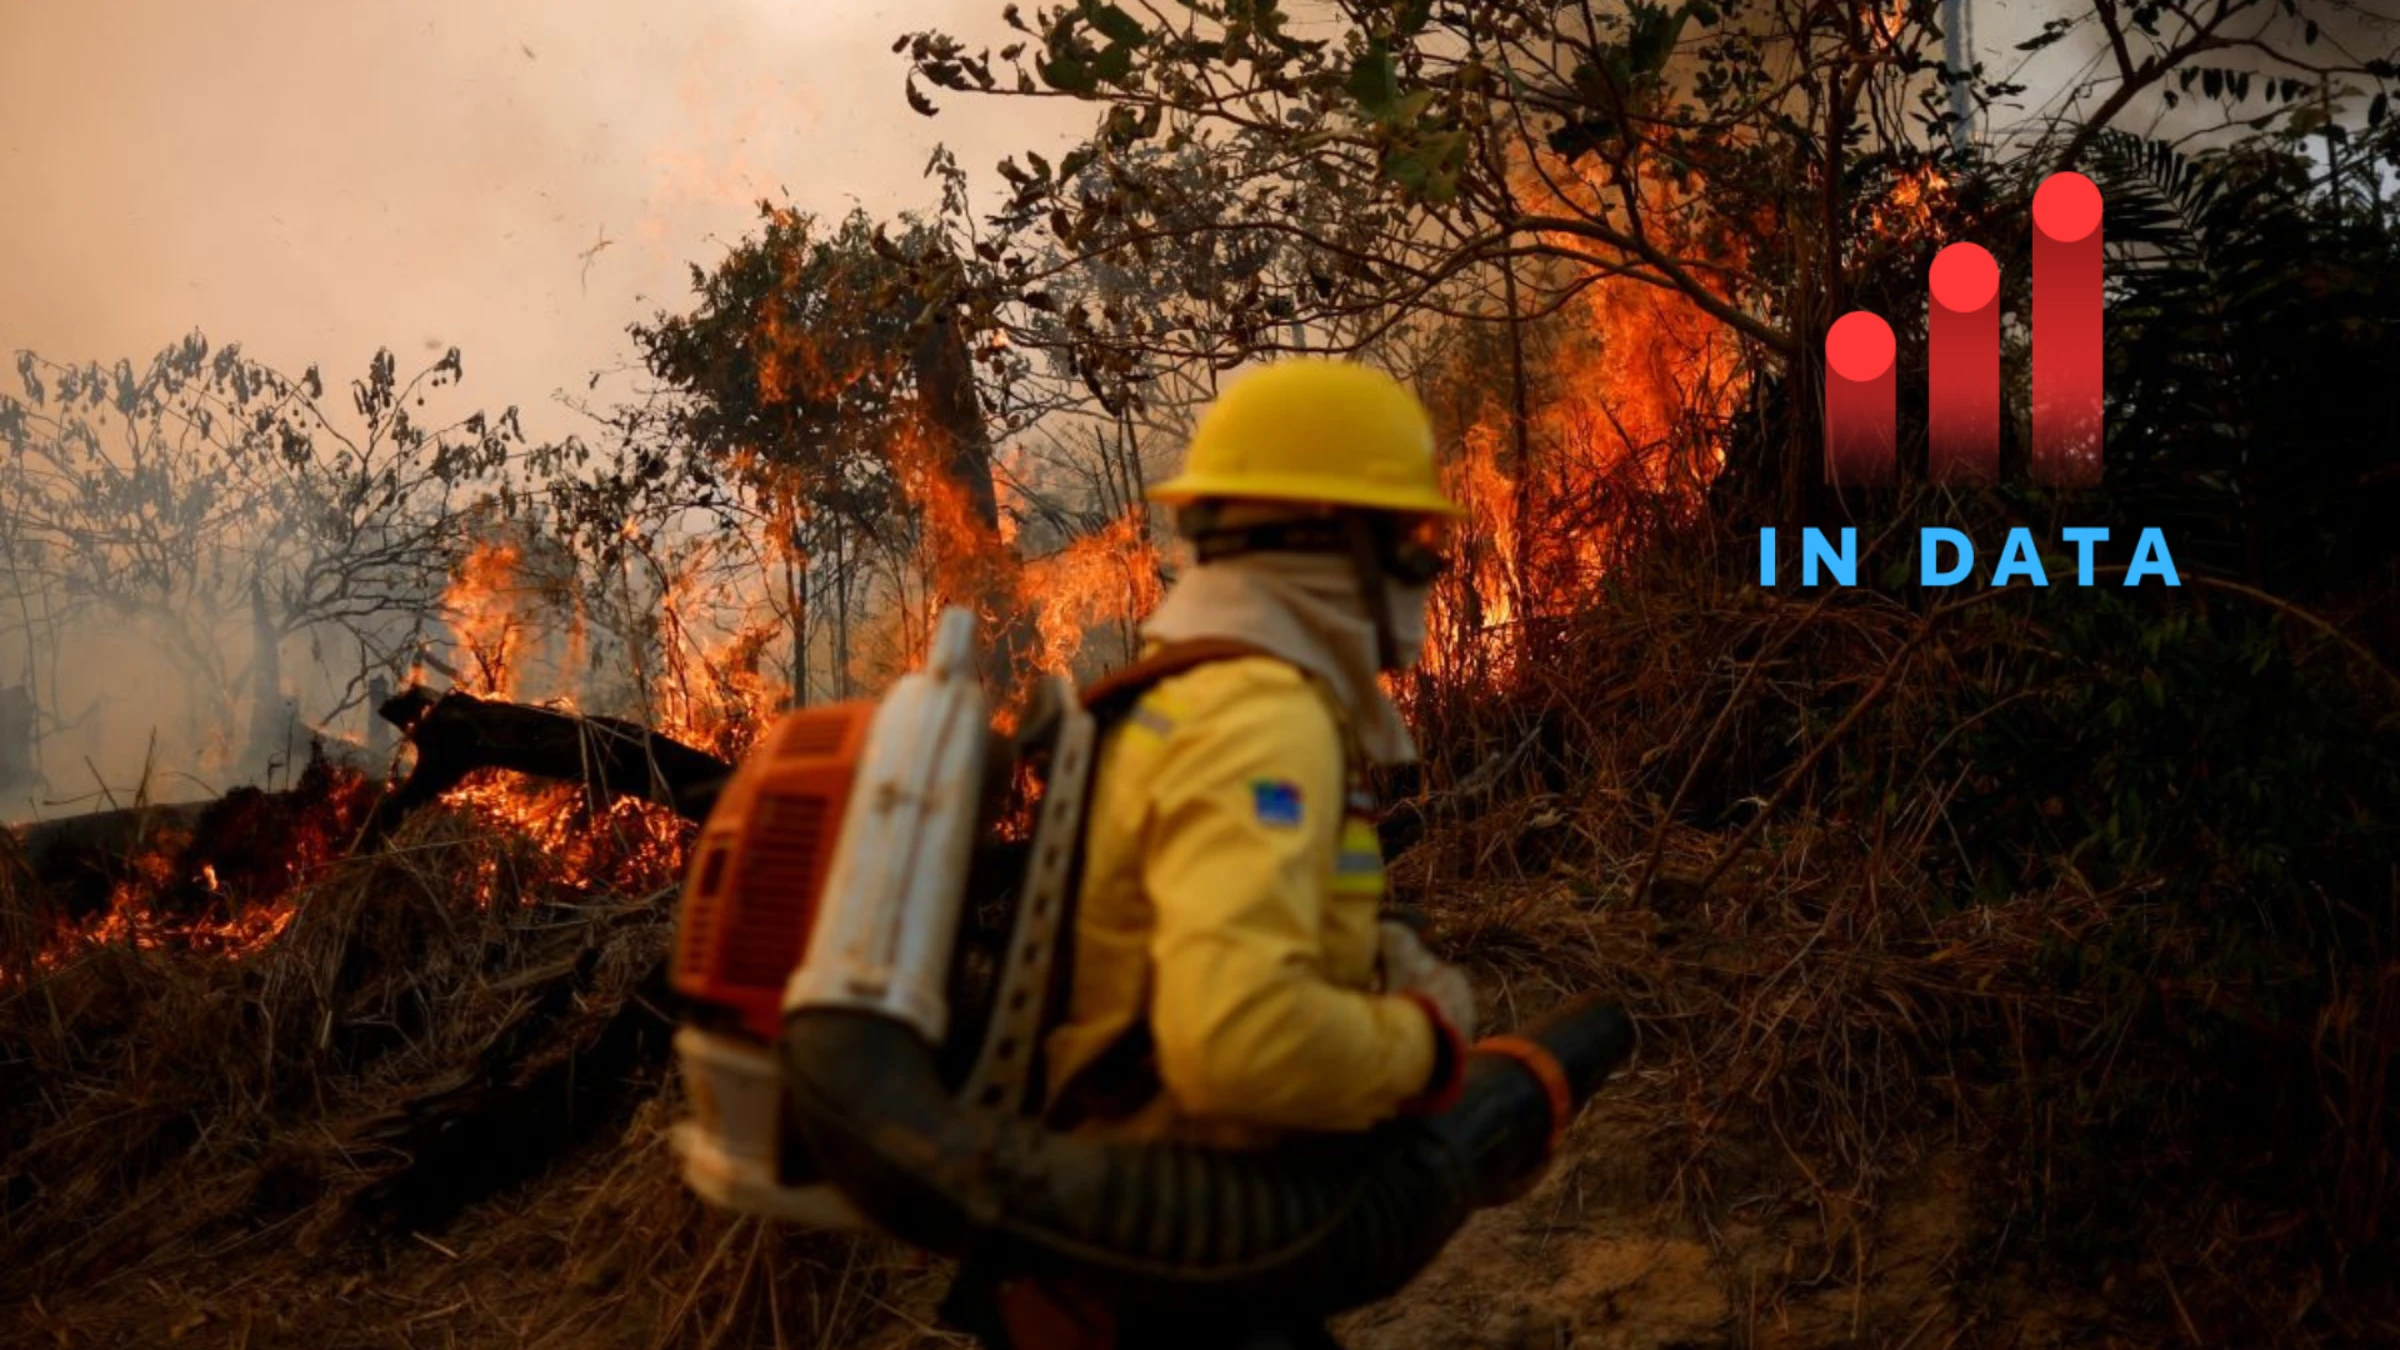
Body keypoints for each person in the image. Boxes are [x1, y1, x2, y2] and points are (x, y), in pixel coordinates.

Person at [945, 358, 1480, 1350]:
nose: (1427, 568)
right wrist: (1425, 1041)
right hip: (1173, 1286)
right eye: (1408, 539)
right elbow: (1241, 1042)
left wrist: (1367, 968)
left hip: (1135, 1252)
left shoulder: (1190, 692)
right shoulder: (1259, 720)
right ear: (1329, 538)